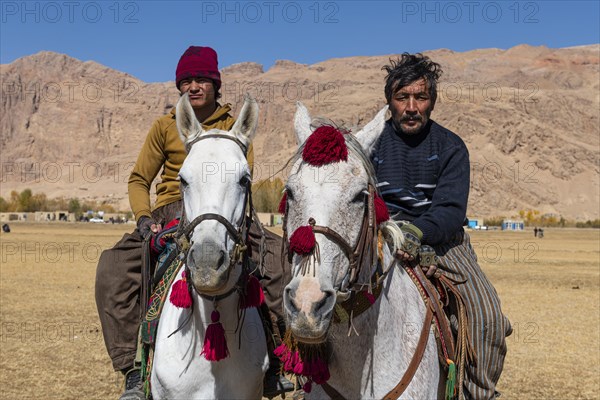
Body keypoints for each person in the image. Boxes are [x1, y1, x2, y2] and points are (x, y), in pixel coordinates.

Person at [95, 46, 292, 400]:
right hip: (170, 213)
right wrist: (143, 220)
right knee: (112, 268)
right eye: (185, 80)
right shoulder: (165, 126)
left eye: (201, 79)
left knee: (280, 260)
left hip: (225, 214)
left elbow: (242, 181)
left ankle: (277, 359)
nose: (193, 86)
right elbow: (139, 179)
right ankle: (133, 370)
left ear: (216, 84)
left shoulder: (236, 129)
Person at [372, 53, 512, 399]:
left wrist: (417, 232)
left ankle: (476, 394)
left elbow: (450, 210)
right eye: (402, 97)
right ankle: (311, 381)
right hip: (380, 239)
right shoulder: (370, 144)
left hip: (443, 243)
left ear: (432, 101)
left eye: (420, 97)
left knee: (487, 318)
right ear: (390, 100)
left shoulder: (451, 147)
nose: (411, 106)